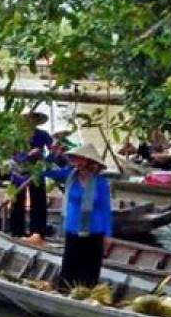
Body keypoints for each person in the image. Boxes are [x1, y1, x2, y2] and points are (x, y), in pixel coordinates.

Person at [44, 145, 112, 289]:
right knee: (70, 266)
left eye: (79, 159)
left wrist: (107, 234)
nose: (76, 162)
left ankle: (86, 294)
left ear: (89, 161)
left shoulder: (100, 182)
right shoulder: (69, 176)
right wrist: (52, 154)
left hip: (94, 229)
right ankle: (65, 292)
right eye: (74, 158)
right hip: (73, 227)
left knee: (90, 269)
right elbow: (43, 172)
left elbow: (105, 208)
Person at [9, 111, 54, 239]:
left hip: (37, 171)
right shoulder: (17, 136)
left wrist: (46, 155)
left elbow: (52, 155)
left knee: (39, 200)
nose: (31, 123)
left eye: (34, 120)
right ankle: (17, 232)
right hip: (19, 171)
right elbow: (10, 154)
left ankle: (38, 232)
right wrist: (27, 155)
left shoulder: (43, 135)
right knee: (17, 202)